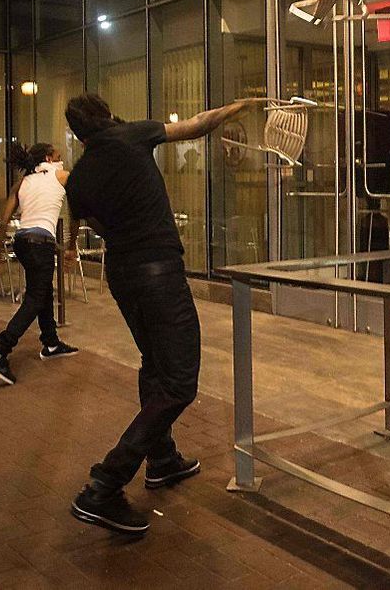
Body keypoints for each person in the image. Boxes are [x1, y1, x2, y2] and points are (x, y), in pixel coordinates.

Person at [63, 93, 255, 535]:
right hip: (158, 273)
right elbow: (196, 124)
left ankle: (163, 459)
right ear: (108, 114)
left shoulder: (79, 178)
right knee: (180, 381)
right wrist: (238, 105)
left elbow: (95, 225)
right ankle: (104, 484)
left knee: (154, 363)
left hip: (123, 275)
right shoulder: (132, 136)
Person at [0, 142, 79, 386]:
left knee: (42, 291)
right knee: (35, 297)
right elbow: (77, 212)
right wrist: (72, 245)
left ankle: (51, 343)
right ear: (48, 157)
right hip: (41, 243)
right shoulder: (62, 175)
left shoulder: (22, 183)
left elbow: (3, 222)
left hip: (22, 242)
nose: (61, 156)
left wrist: (0, 255)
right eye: (57, 154)